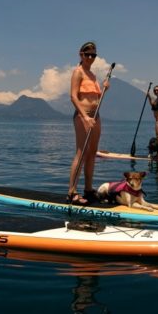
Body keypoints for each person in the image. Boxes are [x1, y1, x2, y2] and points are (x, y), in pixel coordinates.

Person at [67, 41, 109, 205]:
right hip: (82, 116)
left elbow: (96, 99)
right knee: (81, 153)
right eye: (88, 54)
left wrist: (105, 88)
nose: (90, 57)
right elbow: (73, 96)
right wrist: (85, 116)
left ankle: (88, 189)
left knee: (92, 153)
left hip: (96, 116)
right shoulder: (78, 72)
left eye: (93, 55)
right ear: (81, 54)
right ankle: (72, 192)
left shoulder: (92, 75)